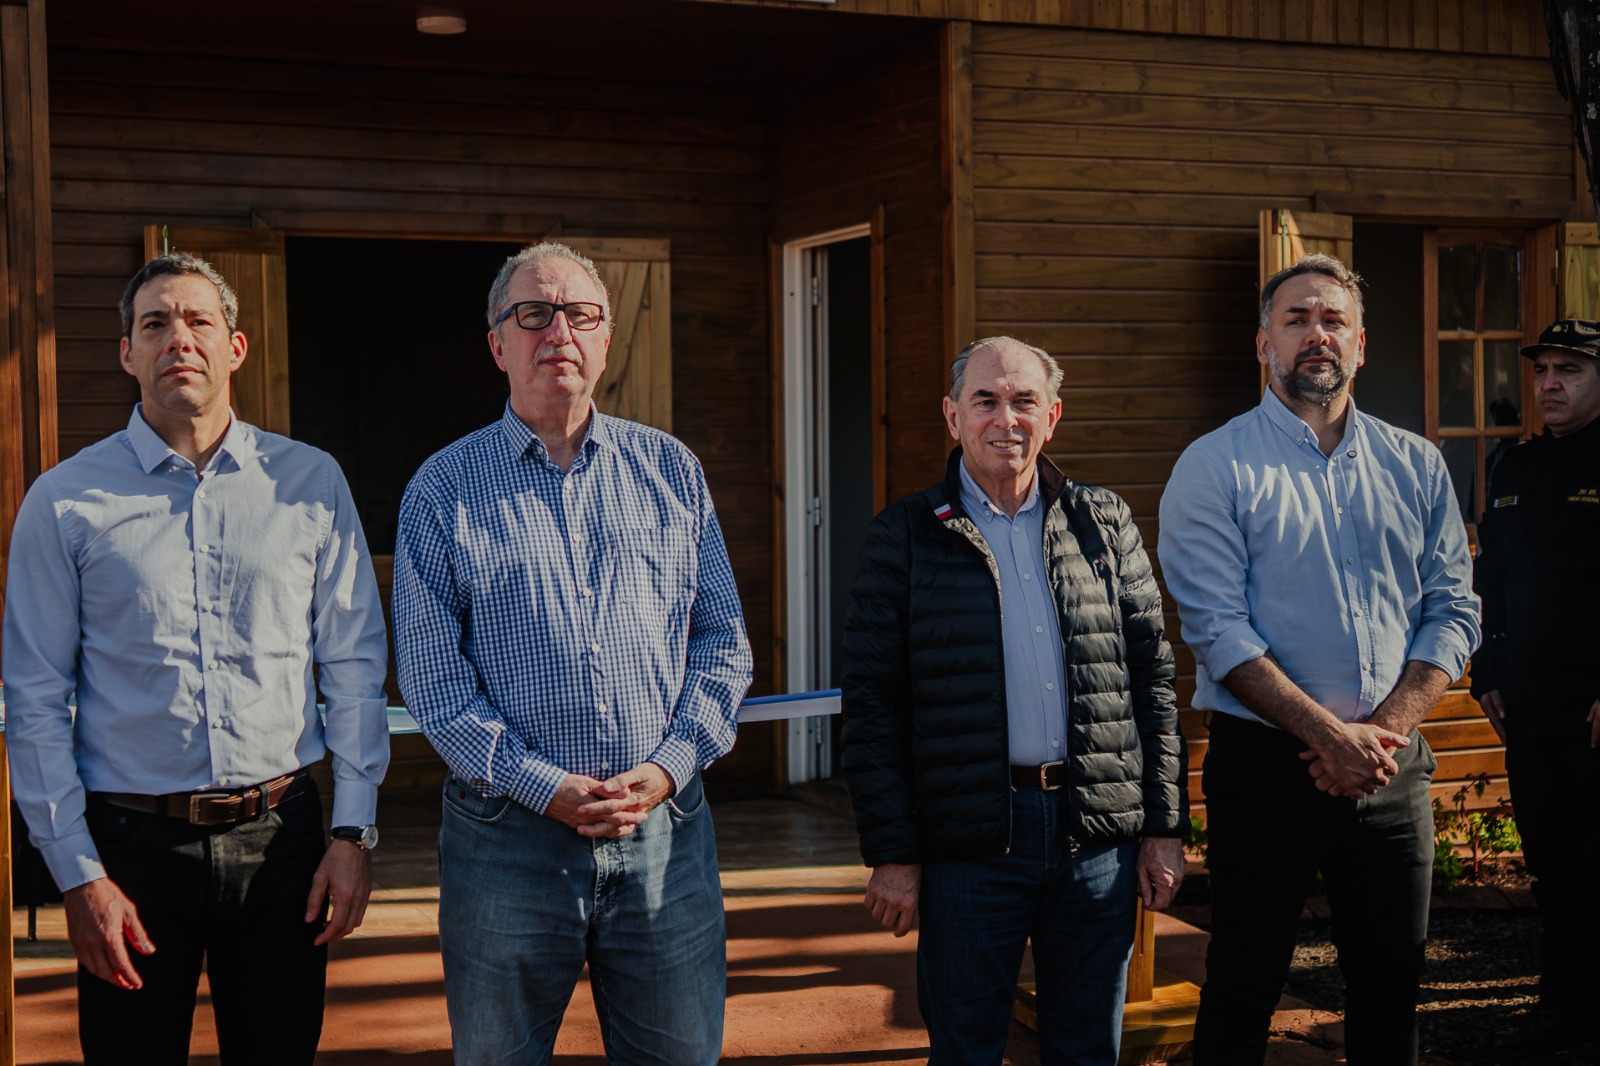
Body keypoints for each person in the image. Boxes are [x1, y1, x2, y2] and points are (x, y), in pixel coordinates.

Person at [2, 254, 390, 1064]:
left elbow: (353, 665)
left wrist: (353, 834)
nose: (179, 337)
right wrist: (78, 874)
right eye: (155, 324)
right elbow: (33, 696)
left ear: (236, 346)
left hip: (285, 843)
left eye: (198, 320)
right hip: (130, 851)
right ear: (127, 354)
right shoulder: (65, 501)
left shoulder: (312, 484)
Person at [392, 241, 753, 1065]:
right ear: (498, 344)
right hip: (506, 843)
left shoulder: (672, 471)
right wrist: (543, 786)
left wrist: (666, 767)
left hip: (663, 829)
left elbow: (722, 647)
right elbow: (434, 684)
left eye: (579, 313)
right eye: (533, 313)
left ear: (606, 337)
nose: (558, 329)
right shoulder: (442, 490)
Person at [1158, 254, 1480, 1066]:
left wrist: (1379, 734)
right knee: (1242, 985)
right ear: (1263, 342)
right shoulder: (1214, 466)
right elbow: (1217, 631)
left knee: (1391, 987)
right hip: (1265, 771)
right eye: (1296, 319)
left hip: (1390, 768)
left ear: (1361, 344)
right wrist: (1328, 737)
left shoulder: (1416, 464)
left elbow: (1454, 609)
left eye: (1332, 320)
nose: (1316, 335)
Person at [840, 336, 1188, 1066]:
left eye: (1025, 400)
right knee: (966, 1051)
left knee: (1088, 1049)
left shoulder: (1105, 521)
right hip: (968, 844)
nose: (1008, 418)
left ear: (1053, 415)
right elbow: (873, 707)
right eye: (987, 401)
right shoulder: (902, 537)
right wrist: (894, 853)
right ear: (953, 415)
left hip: (1094, 838)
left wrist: (1162, 828)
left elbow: (1152, 682)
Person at [1471, 319, 1600, 1063]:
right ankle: (1559, 1015)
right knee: (1554, 871)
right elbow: (1489, 579)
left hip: (1593, 710)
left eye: (1571, 370)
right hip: (1531, 707)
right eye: (1543, 369)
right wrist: (1486, 670)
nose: (1549, 382)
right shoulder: (1514, 466)